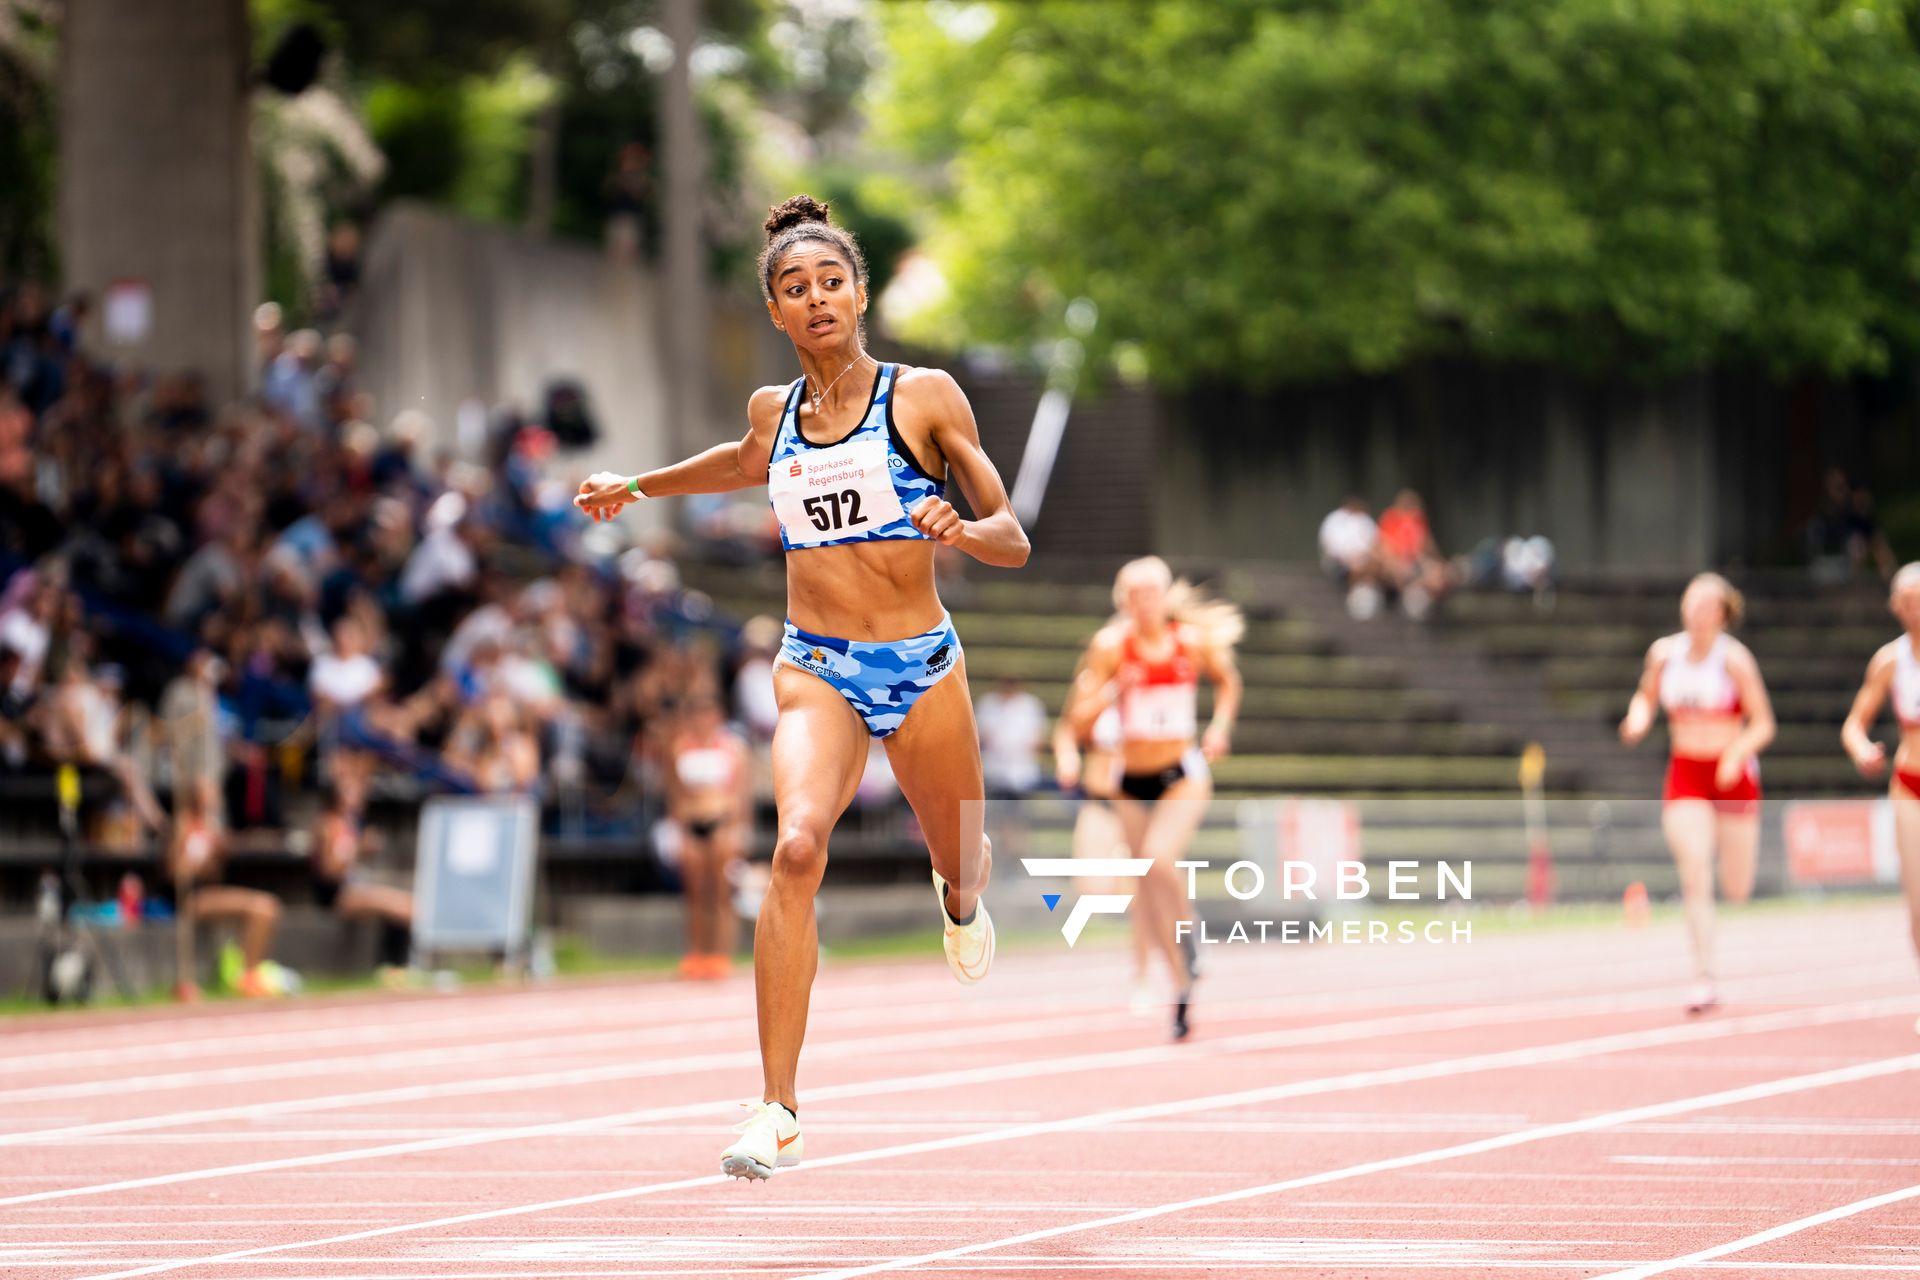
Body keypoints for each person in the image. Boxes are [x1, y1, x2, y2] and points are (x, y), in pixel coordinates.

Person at [575, 194, 1029, 1180]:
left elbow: (1013, 535)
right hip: (816, 663)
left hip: (921, 664)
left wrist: (961, 530)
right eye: (794, 287)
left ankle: (959, 893)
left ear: (859, 295)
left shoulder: (925, 397)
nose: (816, 298)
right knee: (792, 845)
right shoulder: (771, 414)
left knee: (960, 862)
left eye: (831, 281)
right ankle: (778, 1106)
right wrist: (637, 486)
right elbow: (740, 466)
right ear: (776, 311)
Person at [1067, 556, 1242, 1041]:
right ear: (1123, 602)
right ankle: (1181, 988)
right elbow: (1077, 721)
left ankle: (1192, 937)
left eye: (1152, 594)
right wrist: (1110, 693)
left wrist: (1220, 727)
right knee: (1145, 894)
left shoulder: (1190, 642)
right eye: (1135, 596)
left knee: (1157, 860)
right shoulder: (1110, 648)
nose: (1144, 604)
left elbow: (1228, 682)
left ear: (1165, 598)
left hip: (1181, 773)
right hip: (1129, 781)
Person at [1620, 572, 1776, 1015]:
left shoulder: (1735, 661)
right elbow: (1645, 697)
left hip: (1732, 775)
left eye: (1708, 606)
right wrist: (1637, 719)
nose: (1697, 613)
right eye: (1691, 603)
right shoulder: (1664, 655)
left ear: (1724, 614)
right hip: (1687, 772)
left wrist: (1736, 752)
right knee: (1694, 871)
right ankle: (1704, 976)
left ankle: (1713, 952)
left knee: (1737, 886)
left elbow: (1764, 722)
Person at [1839, 562, 1920, 1029]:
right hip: (1909, 783)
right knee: (1917, 903)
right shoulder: (1890, 660)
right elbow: (1854, 722)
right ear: (1895, 606)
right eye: (1906, 601)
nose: (1914, 610)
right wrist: (1861, 748)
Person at [1053, 654, 1150, 1011]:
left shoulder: (1153, 679)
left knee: (1140, 888)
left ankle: (1142, 977)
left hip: (1137, 802)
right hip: (1098, 800)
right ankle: (1173, 917)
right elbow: (1068, 727)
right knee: (1092, 889)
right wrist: (1068, 757)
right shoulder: (1092, 684)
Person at [666, 693, 752, 980]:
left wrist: (740, 830)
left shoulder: (732, 749)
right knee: (695, 894)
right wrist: (677, 831)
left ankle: (720, 953)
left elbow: (740, 794)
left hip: (721, 822)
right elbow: (675, 794)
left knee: (721, 893)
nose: (702, 721)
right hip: (692, 822)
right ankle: (695, 952)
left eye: (707, 714)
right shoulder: (680, 748)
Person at [977, 675, 1048, 798]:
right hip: (993, 770)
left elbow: (1038, 739)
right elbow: (982, 736)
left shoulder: (1031, 705)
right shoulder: (987, 703)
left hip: (1023, 771)